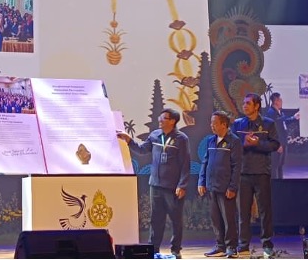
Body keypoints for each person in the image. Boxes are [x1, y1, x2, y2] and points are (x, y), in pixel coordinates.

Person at [118, 108, 190, 259]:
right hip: (155, 185)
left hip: (173, 187)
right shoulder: (155, 135)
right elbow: (142, 150)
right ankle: (153, 248)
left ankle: (175, 250)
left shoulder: (181, 139)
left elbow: (185, 164)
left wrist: (182, 185)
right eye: (160, 117)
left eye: (164, 118)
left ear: (172, 121)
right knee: (156, 219)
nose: (160, 120)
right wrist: (129, 140)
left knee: (176, 219)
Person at [231, 94, 280, 258]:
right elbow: (231, 146)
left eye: (248, 103)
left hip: (262, 172)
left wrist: (257, 143)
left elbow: (275, 144)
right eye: (244, 103)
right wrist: (244, 144)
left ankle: (267, 244)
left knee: (265, 210)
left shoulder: (268, 123)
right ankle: (243, 245)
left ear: (257, 106)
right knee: (243, 212)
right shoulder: (238, 124)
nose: (244, 106)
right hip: (243, 173)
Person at [198, 111, 242, 258]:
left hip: (225, 187)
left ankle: (231, 248)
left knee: (228, 219)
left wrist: (232, 187)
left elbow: (236, 166)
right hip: (211, 186)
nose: (211, 126)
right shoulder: (211, 140)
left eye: (214, 123)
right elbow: (205, 162)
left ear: (224, 124)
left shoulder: (234, 141)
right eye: (211, 123)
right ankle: (220, 246)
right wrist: (201, 181)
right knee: (216, 219)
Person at [263, 92, 300, 180]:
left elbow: (283, 122)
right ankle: (275, 185)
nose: (282, 101)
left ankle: (280, 184)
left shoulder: (279, 112)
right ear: (276, 101)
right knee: (275, 167)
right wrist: (277, 144)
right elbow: (273, 130)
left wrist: (294, 118)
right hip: (277, 145)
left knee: (280, 166)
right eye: (281, 100)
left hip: (282, 143)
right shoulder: (271, 113)